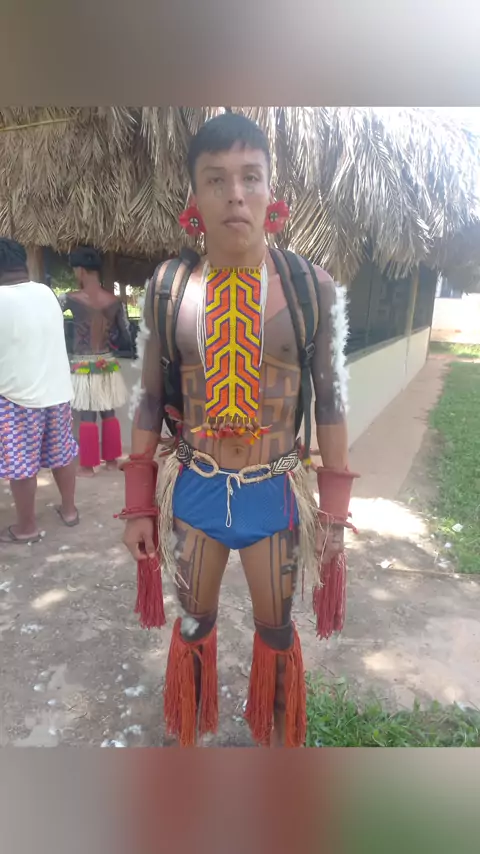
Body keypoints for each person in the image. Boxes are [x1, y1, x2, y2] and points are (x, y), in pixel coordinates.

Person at [120, 113, 357, 747]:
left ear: (271, 189)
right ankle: (191, 754)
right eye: (216, 179)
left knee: (276, 634)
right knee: (192, 628)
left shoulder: (313, 290)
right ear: (193, 197)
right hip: (194, 490)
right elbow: (148, 398)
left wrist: (334, 516)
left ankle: (276, 761)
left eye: (250, 177)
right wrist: (138, 506)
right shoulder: (168, 288)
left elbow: (332, 404)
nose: (235, 195)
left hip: (274, 495)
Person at [0, 238, 79, 543]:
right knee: (62, 453)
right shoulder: (46, 293)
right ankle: (69, 510)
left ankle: (27, 528)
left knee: (21, 465)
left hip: (16, 396)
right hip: (56, 390)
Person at [63, 247, 130, 476]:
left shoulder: (70, 299)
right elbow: (125, 337)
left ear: (81, 271)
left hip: (83, 364)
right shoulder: (115, 301)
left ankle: (87, 465)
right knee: (108, 411)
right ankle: (111, 461)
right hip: (107, 363)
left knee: (87, 413)